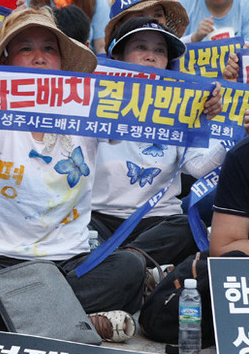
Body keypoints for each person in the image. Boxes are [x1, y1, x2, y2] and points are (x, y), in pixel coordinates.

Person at [0, 7, 145, 342]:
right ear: (8, 60)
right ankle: (77, 321)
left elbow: (148, 113)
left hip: (67, 260)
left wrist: (201, 105)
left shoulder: (88, 108)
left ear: (62, 60)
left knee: (128, 269)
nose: (39, 57)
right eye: (26, 48)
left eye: (49, 49)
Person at [92, 17, 225, 266]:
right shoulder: (93, 96)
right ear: (118, 57)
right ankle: (138, 267)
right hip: (100, 217)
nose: (150, 56)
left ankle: (125, 264)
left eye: (160, 51)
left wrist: (233, 140)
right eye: (140, 47)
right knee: (75, 230)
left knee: (187, 225)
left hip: (159, 219)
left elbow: (196, 167)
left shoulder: (184, 103)